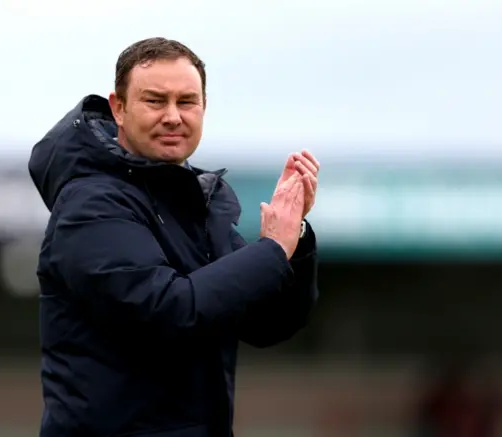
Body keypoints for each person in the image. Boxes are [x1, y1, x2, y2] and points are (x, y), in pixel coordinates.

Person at [28, 37, 320, 437]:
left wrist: (295, 238)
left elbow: (267, 324)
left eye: (186, 102)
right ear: (118, 108)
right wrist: (272, 249)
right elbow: (170, 311)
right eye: (154, 101)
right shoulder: (91, 204)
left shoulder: (195, 204)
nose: (172, 116)